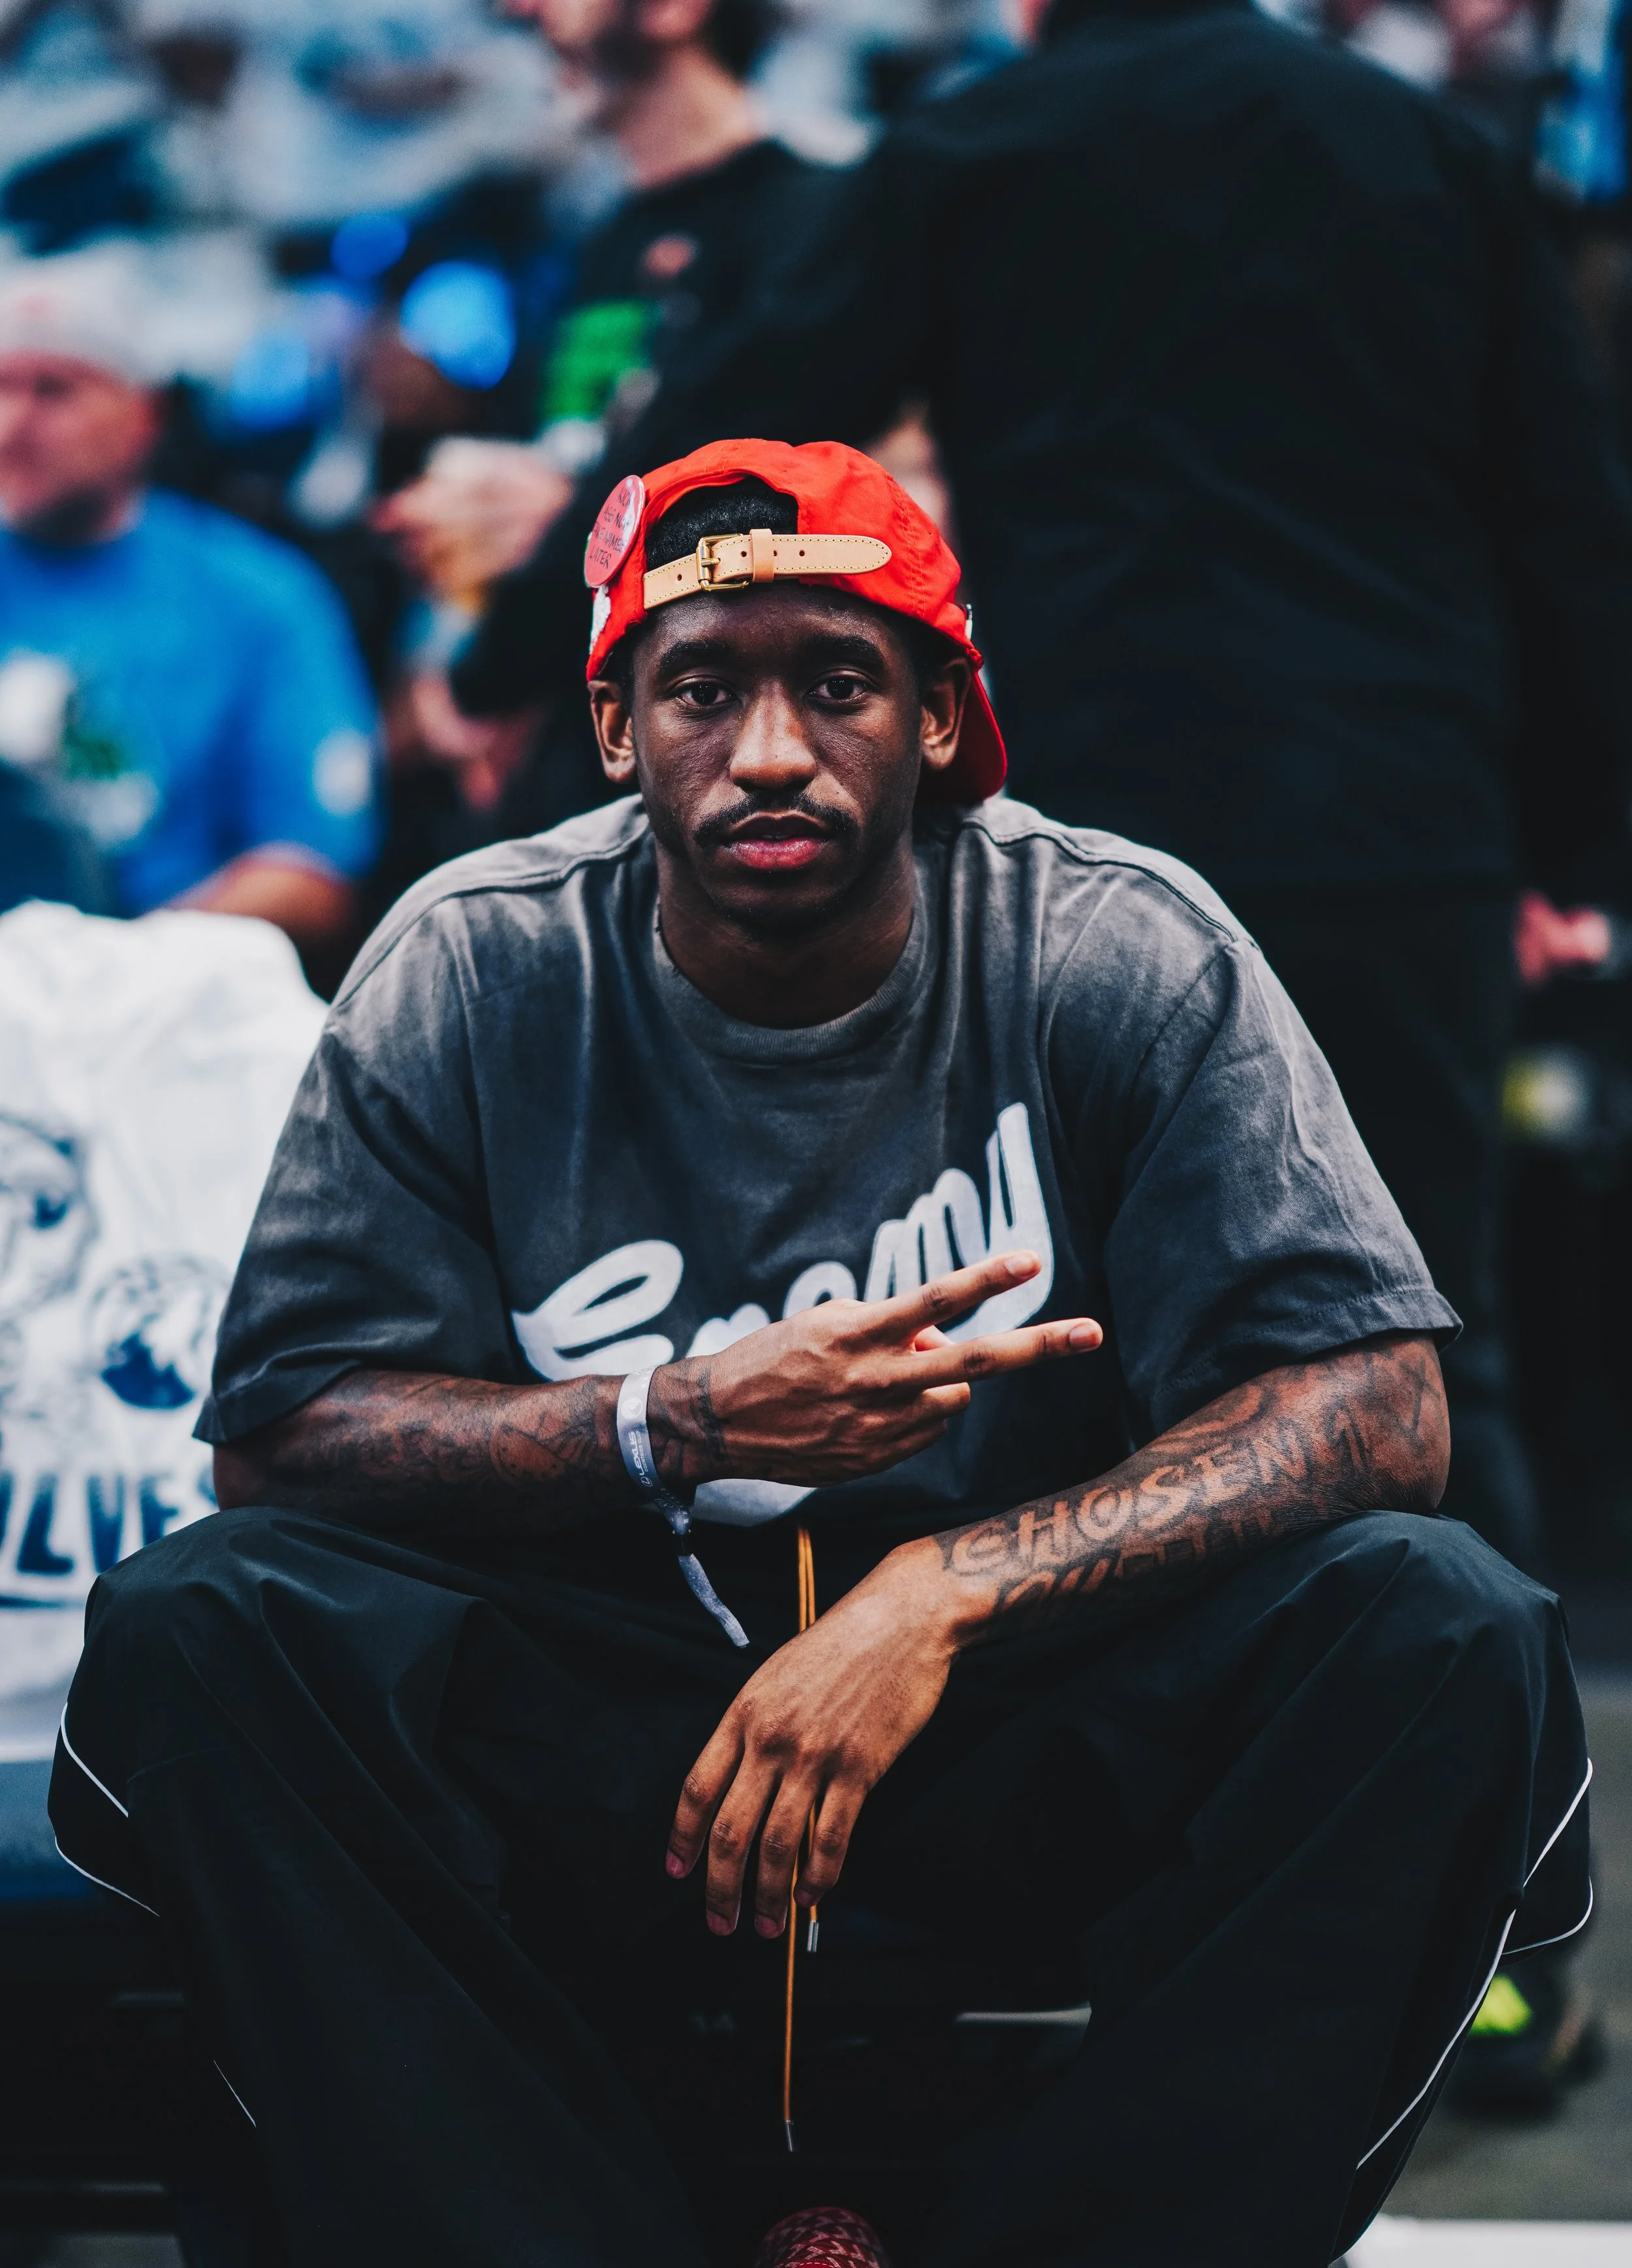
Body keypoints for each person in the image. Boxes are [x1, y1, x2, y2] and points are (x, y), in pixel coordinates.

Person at [52, 442, 1590, 2268]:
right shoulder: (480, 954)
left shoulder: (1111, 942)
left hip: (1011, 1714)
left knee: (1436, 1626)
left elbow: (1370, 1404)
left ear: (940, 716)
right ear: (613, 724)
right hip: (609, 1727)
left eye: (837, 685)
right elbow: (281, 1439)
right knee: (206, 1624)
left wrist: (946, 1585)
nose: (767, 747)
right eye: (702, 687)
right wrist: (658, 1420)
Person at [456, 0, 1632, 1578]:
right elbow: (1569, 520)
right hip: (1393, 819)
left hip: (1101, 838)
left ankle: (1126, 1798)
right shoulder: (1421, 144)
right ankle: (1484, 1802)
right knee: (1414, 1331)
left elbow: (720, 440)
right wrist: (1569, 847)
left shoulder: (972, 148)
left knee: (1091, 1335)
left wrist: (505, 656)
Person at [376, 0, 831, 825]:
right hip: (575, 747)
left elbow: (783, 502)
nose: (523, 12)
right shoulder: (597, 244)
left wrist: (485, 668)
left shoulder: (811, 223)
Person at [0, 250, 382, 957]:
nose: (12, 426)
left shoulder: (259, 599)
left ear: (144, 415)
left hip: (146, 1000)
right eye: (1, 388)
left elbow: (310, 873)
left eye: (54, 391)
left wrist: (104, 972)